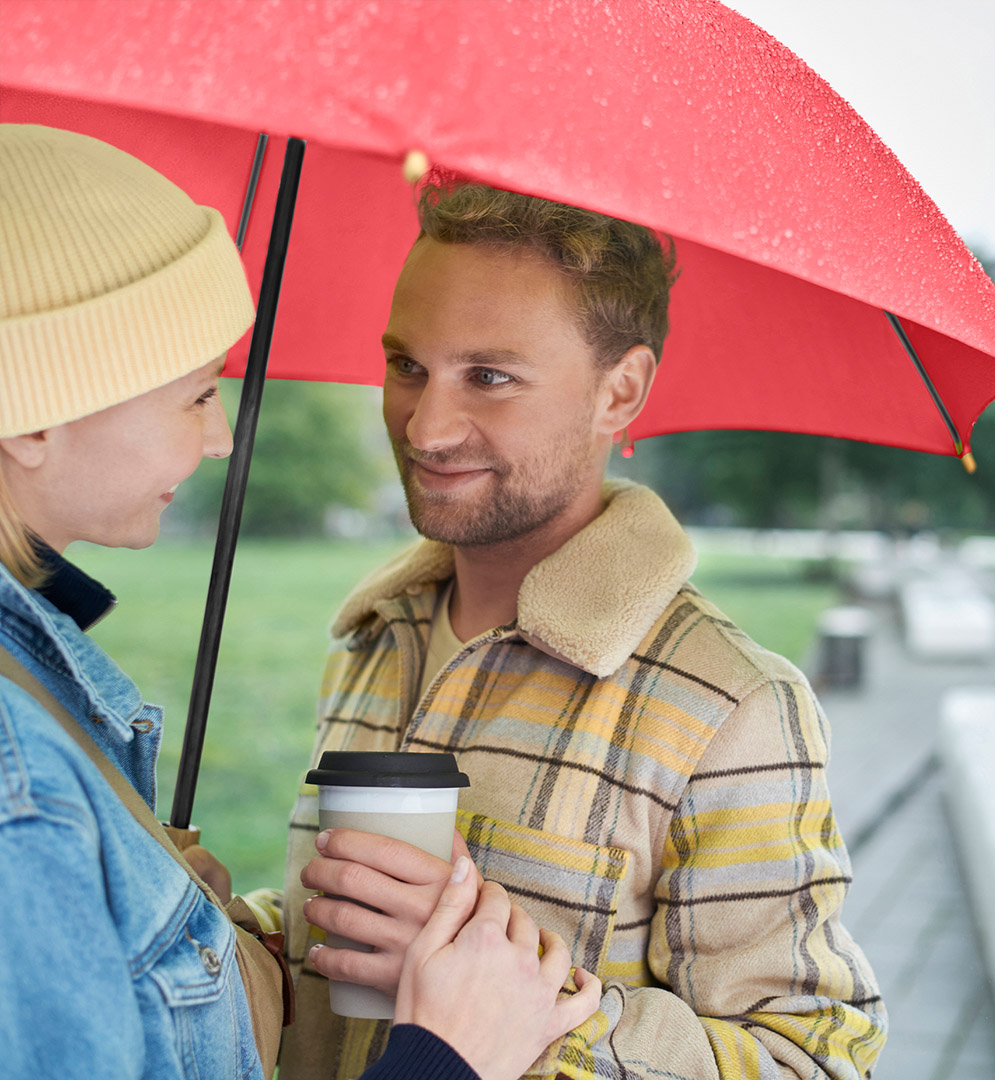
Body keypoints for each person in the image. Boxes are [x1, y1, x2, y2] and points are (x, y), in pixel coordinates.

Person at [0, 124, 599, 1080]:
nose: (220, 441)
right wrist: (448, 1056)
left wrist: (165, 920)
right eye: (199, 394)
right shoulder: (18, 786)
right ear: (34, 415)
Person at [281, 180, 888, 1079]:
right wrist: (224, 933)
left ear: (622, 390)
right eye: (408, 365)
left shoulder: (734, 710)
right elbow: (320, 979)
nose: (425, 424)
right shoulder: (377, 637)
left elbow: (816, 1062)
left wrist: (535, 1010)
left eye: (490, 377)